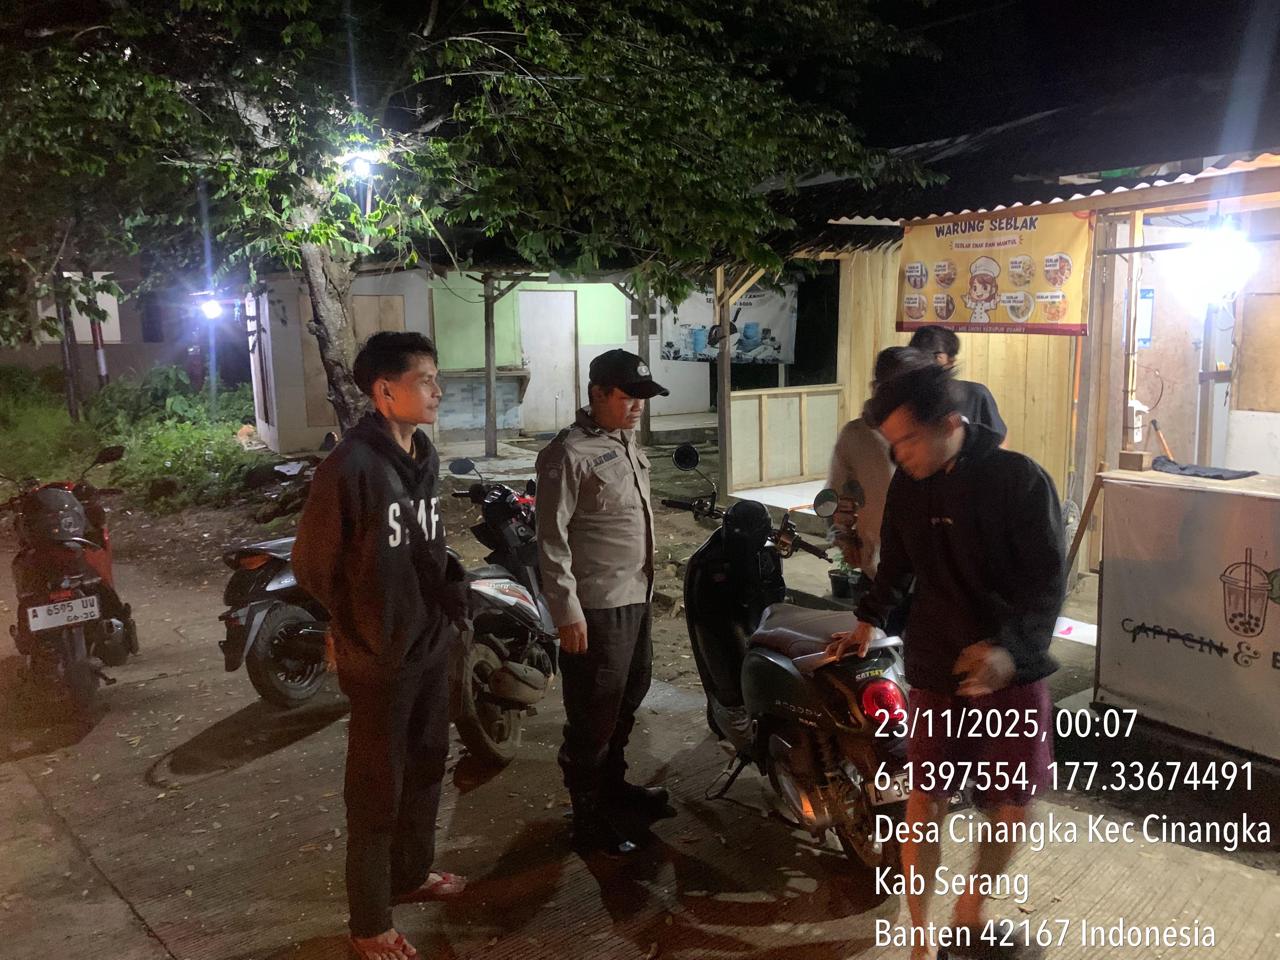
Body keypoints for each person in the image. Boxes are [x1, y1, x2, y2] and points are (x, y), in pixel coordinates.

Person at [827, 363, 1065, 960]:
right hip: (936, 662)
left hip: (1009, 668)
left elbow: (1047, 584)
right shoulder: (911, 484)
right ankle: (919, 936)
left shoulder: (1020, 481)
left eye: (908, 440)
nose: (899, 455)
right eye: (891, 443)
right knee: (925, 798)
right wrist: (868, 619)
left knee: (1012, 802)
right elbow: (897, 565)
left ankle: (970, 910)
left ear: (951, 423)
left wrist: (1010, 651)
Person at [293, 331, 468, 960]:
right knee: (374, 791)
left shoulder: (424, 455)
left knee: (426, 766)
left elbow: (426, 547)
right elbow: (313, 566)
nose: (438, 391)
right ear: (385, 391)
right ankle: (369, 921)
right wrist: (353, 628)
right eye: (425, 380)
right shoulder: (348, 468)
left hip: (428, 645)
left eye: (436, 378)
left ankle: (410, 874)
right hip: (380, 660)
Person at [535, 348, 677, 857]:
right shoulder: (567, 454)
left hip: (635, 596)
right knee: (593, 715)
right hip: (595, 607)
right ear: (597, 393)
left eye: (643, 397)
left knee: (628, 696)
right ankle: (588, 817)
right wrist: (566, 611)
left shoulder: (625, 442)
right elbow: (550, 540)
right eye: (628, 396)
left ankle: (614, 790)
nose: (638, 406)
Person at [826, 346, 934, 581]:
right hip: (880, 572)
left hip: (934, 577)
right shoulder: (856, 436)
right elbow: (837, 499)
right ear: (876, 387)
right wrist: (845, 538)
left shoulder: (938, 434)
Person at [908, 324, 1007, 443]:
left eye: (935, 356)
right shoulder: (907, 396)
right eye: (919, 355)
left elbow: (1000, 440)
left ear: (951, 360)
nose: (925, 361)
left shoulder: (975, 394)